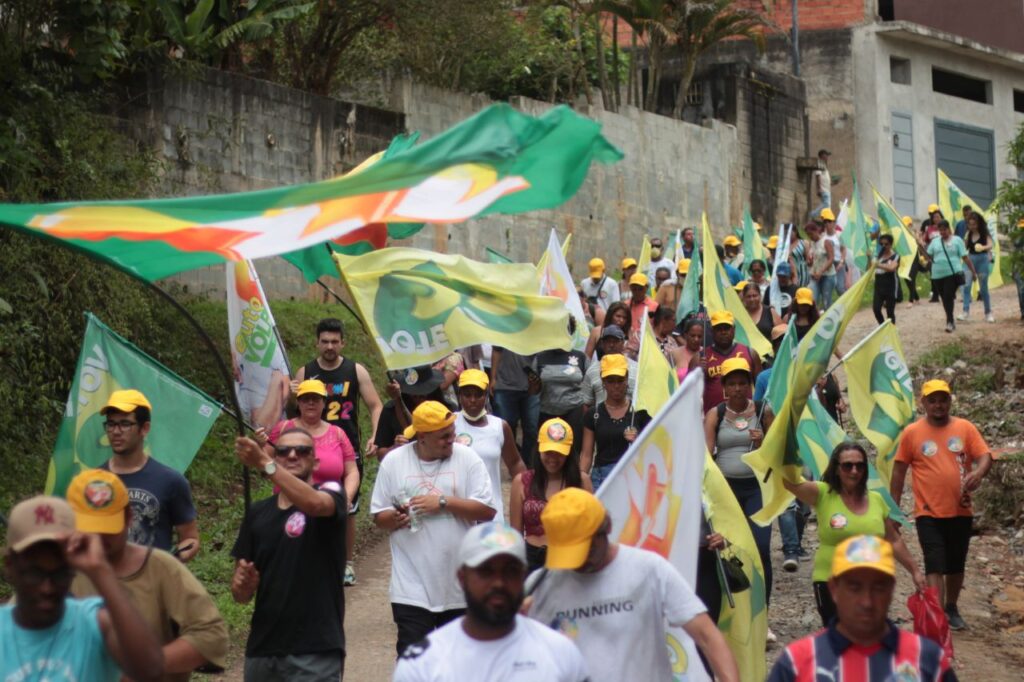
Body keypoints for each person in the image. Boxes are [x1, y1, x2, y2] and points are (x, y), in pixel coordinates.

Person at [527, 488, 740, 682]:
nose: (579, 563)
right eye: (569, 554)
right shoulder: (542, 584)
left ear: (607, 528)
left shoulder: (649, 569)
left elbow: (708, 636)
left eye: (585, 550)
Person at [67, 469, 229, 681]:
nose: (100, 538)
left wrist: (149, 664)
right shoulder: (62, 574)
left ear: (128, 518)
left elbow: (211, 635)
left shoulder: (160, 568)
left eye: (108, 527)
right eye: (91, 527)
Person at [370, 401, 496, 655]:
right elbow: (378, 515)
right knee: (413, 663)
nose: (453, 439)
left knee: (458, 664)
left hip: (459, 585)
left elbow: (486, 510)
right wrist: (394, 518)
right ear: (423, 436)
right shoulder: (394, 462)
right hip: (411, 586)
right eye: (445, 436)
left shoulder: (467, 458)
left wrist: (443, 502)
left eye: (452, 432)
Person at [393, 522, 589, 682]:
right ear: (462, 578)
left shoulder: (561, 653)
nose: (498, 582)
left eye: (510, 571)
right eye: (485, 571)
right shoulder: (423, 664)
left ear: (523, 576)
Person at [1, 495, 164, 681]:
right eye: (34, 575)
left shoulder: (94, 624)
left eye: (60, 574)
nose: (47, 589)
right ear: (10, 566)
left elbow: (150, 669)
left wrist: (100, 570)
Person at [232, 427, 348, 680]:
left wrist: (265, 462)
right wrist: (243, 585)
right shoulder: (258, 513)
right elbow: (240, 595)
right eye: (283, 451)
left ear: (315, 460)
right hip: (262, 649)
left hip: (316, 648)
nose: (292, 455)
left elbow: (315, 504)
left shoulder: (331, 492)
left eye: (302, 450)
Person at [768, 535, 956, 682]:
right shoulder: (797, 663)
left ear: (891, 589)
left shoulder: (927, 659)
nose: (866, 601)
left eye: (878, 587)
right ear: (834, 589)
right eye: (854, 587)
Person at [782, 443, 925, 626]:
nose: (854, 471)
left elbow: (893, 539)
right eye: (847, 465)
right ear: (836, 469)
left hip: (870, 586)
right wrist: (778, 444)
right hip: (831, 583)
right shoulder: (822, 494)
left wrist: (915, 571)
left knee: (867, 644)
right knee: (838, 643)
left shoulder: (876, 500)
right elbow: (789, 481)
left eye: (860, 465)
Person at [890, 379, 993, 630]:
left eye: (943, 399)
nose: (938, 405)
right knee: (934, 561)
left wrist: (979, 473)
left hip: (961, 508)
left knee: (956, 563)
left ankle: (952, 607)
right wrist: (894, 511)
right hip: (928, 512)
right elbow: (899, 471)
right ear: (923, 402)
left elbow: (985, 456)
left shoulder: (965, 428)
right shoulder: (912, 432)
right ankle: (936, 613)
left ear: (950, 400)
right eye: (932, 400)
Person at [294, 317, 383, 586]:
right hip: (308, 448)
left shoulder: (355, 371)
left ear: (343, 342)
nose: (330, 346)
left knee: (347, 508)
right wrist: (289, 394)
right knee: (304, 501)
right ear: (317, 343)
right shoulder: (305, 372)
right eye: (325, 341)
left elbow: (375, 405)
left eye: (335, 341)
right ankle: (307, 559)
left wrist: (376, 436)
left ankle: (346, 563)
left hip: (346, 447)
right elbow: (290, 411)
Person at [704, 357, 775, 607]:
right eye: (732, 383)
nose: (737, 388)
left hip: (756, 488)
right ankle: (736, 610)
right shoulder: (716, 414)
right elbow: (707, 454)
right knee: (729, 547)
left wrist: (761, 444)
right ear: (724, 386)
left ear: (750, 385)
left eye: (742, 383)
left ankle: (762, 609)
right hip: (727, 491)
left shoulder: (763, 410)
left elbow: (775, 453)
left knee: (761, 547)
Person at [99, 389, 199, 560]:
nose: (116, 431)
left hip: (152, 583)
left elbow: (190, 538)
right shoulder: (93, 481)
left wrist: (168, 563)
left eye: (125, 424)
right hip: (105, 583)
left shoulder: (171, 481)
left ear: (144, 428)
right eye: (111, 424)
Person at [510, 419, 593, 573]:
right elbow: (515, 535)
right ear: (539, 449)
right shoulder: (521, 482)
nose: (553, 459)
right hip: (531, 560)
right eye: (548, 452)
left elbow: (590, 529)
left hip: (569, 559)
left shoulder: (581, 481)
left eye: (559, 453)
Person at [267, 379, 359, 513]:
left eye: (315, 399)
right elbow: (265, 464)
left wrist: (346, 498)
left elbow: (352, 471)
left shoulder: (338, 433)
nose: (310, 403)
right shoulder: (283, 428)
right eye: (305, 399)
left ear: (324, 403)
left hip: (327, 506)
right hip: (287, 506)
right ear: (298, 403)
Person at [453, 369, 525, 520]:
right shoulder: (449, 424)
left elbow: (515, 463)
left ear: (486, 396)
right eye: (467, 394)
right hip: (457, 513)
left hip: (491, 511)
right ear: (460, 396)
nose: (472, 400)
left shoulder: (499, 427)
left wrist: (527, 491)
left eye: (478, 394)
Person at [580, 354, 651, 490]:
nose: (616, 386)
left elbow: (651, 449)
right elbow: (587, 454)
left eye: (620, 380)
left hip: (633, 477)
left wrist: (638, 441)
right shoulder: (594, 415)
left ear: (627, 379)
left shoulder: (640, 413)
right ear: (603, 382)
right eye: (610, 381)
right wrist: (582, 477)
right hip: (601, 479)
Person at [528, 321, 588, 457]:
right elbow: (533, 392)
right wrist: (533, 385)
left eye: (565, 329)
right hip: (547, 413)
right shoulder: (540, 357)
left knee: (573, 453)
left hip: (574, 412)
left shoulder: (580, 357)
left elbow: (588, 384)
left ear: (571, 331)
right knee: (548, 454)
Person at [375, 365, 449, 459]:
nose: (417, 398)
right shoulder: (391, 410)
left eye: (422, 395)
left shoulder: (447, 409)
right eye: (413, 395)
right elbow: (380, 454)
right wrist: (395, 448)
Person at [920, 219, 977, 333]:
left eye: (944, 230)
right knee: (945, 298)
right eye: (940, 230)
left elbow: (965, 257)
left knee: (947, 296)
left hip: (952, 273)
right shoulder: (935, 242)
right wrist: (920, 246)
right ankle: (950, 319)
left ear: (949, 229)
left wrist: (973, 272)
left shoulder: (957, 240)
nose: (942, 233)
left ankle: (949, 321)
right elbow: (928, 257)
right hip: (937, 275)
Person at [702, 310, 761, 414]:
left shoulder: (750, 353)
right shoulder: (701, 357)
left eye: (727, 328)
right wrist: (696, 371)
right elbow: (691, 393)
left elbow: (761, 387)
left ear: (733, 330)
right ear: (712, 331)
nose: (723, 332)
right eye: (718, 329)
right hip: (714, 418)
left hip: (746, 415)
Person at [490, 347, 540, 466]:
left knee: (532, 428)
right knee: (506, 426)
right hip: (504, 385)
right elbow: (497, 351)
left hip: (530, 387)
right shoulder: (504, 327)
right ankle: (515, 461)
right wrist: (493, 378)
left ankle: (527, 464)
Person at [580, 324, 636, 408]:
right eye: (608, 341)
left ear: (623, 342)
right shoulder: (592, 371)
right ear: (602, 343)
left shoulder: (636, 369)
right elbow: (586, 403)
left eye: (615, 341)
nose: (611, 345)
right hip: (600, 419)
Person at [960, 210, 995, 322]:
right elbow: (964, 247)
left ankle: (988, 312)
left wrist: (983, 247)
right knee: (966, 286)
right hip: (969, 261)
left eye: (974, 224)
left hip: (982, 260)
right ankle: (965, 311)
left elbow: (990, 244)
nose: (972, 226)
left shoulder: (985, 233)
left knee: (983, 288)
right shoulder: (968, 234)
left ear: (979, 223)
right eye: (970, 224)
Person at [805, 220, 836, 311]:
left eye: (811, 234)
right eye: (808, 235)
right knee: (812, 298)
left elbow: (831, 258)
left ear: (816, 231)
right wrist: (809, 261)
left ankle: (830, 320)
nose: (810, 236)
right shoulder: (812, 243)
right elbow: (811, 259)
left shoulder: (825, 242)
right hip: (814, 276)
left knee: (826, 301)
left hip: (827, 276)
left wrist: (821, 271)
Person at [625, 273, 657, 358]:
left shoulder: (654, 306)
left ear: (646, 288)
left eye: (640, 289)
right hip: (628, 346)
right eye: (634, 289)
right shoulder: (625, 305)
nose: (637, 292)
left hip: (646, 346)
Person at [873, 233, 900, 324]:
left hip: (890, 285)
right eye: (881, 244)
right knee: (876, 309)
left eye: (886, 244)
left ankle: (892, 330)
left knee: (890, 311)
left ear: (891, 244)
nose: (883, 246)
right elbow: (870, 267)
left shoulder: (895, 256)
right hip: (879, 284)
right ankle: (882, 327)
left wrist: (878, 265)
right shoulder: (878, 255)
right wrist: (869, 257)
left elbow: (892, 268)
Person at [670, 317, 704, 383]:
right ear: (686, 335)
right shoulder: (674, 354)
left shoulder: (706, 354)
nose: (696, 339)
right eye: (693, 336)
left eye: (699, 336)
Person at [811, 148, 832, 219]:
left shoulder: (824, 166)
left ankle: (825, 221)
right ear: (822, 156)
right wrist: (819, 188)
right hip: (824, 190)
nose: (827, 158)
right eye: (826, 155)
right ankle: (813, 214)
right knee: (826, 204)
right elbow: (818, 176)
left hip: (827, 190)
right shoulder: (819, 164)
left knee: (827, 207)